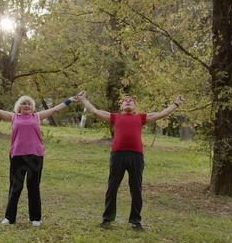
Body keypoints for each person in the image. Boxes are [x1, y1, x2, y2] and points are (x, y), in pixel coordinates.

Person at [77, 91, 185, 232]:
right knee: (112, 187)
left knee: (136, 188)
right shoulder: (115, 117)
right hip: (117, 155)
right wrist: (83, 99)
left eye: (131, 100)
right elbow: (95, 112)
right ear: (121, 106)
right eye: (125, 100)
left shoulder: (141, 118)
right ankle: (107, 219)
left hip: (136, 157)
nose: (128, 101)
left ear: (135, 106)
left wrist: (176, 103)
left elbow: (161, 113)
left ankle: (136, 221)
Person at [0, 93, 79, 227]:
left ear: (32, 107)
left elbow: (55, 109)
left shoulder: (37, 116)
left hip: (35, 156)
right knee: (15, 187)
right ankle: (9, 218)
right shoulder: (13, 117)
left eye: (29, 104)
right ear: (19, 107)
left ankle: (35, 218)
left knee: (33, 187)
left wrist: (70, 100)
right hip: (17, 155)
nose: (27, 106)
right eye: (24, 103)